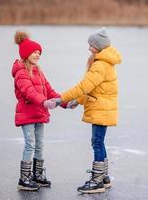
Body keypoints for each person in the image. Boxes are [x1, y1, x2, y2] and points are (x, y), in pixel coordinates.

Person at [55, 27, 122, 194]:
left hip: (101, 109)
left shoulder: (100, 65)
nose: (89, 48)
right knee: (99, 142)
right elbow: (93, 89)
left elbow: (83, 86)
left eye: (91, 45)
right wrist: (77, 102)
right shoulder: (104, 63)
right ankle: (104, 177)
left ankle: (97, 181)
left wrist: (61, 98)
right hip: (102, 107)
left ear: (98, 46)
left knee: (97, 143)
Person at [11, 31, 66, 191]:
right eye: (34, 52)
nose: (37, 55)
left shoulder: (38, 71)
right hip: (27, 113)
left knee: (40, 144)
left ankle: (37, 175)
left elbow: (49, 90)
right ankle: (24, 179)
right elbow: (29, 92)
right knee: (30, 144)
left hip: (39, 113)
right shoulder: (21, 72)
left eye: (39, 53)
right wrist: (44, 102)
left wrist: (64, 102)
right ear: (26, 54)